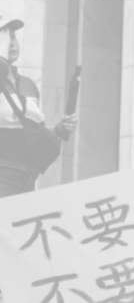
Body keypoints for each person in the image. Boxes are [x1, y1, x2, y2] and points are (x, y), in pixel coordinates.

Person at [0, 15, 77, 200]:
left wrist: (58, 128)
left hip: (28, 182)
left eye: (14, 37)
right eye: (4, 37)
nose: (12, 43)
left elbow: (35, 131)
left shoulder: (28, 84)